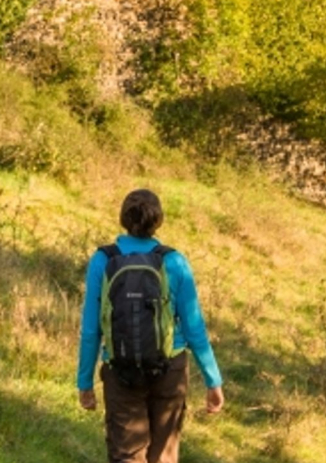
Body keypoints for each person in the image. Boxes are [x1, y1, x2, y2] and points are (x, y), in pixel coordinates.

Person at [77, 188, 224, 463]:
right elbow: (194, 328)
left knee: (126, 455)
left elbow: (90, 330)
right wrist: (212, 380)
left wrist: (84, 382)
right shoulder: (174, 261)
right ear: (158, 221)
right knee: (164, 457)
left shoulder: (103, 260)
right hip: (169, 368)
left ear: (123, 219)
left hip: (120, 369)